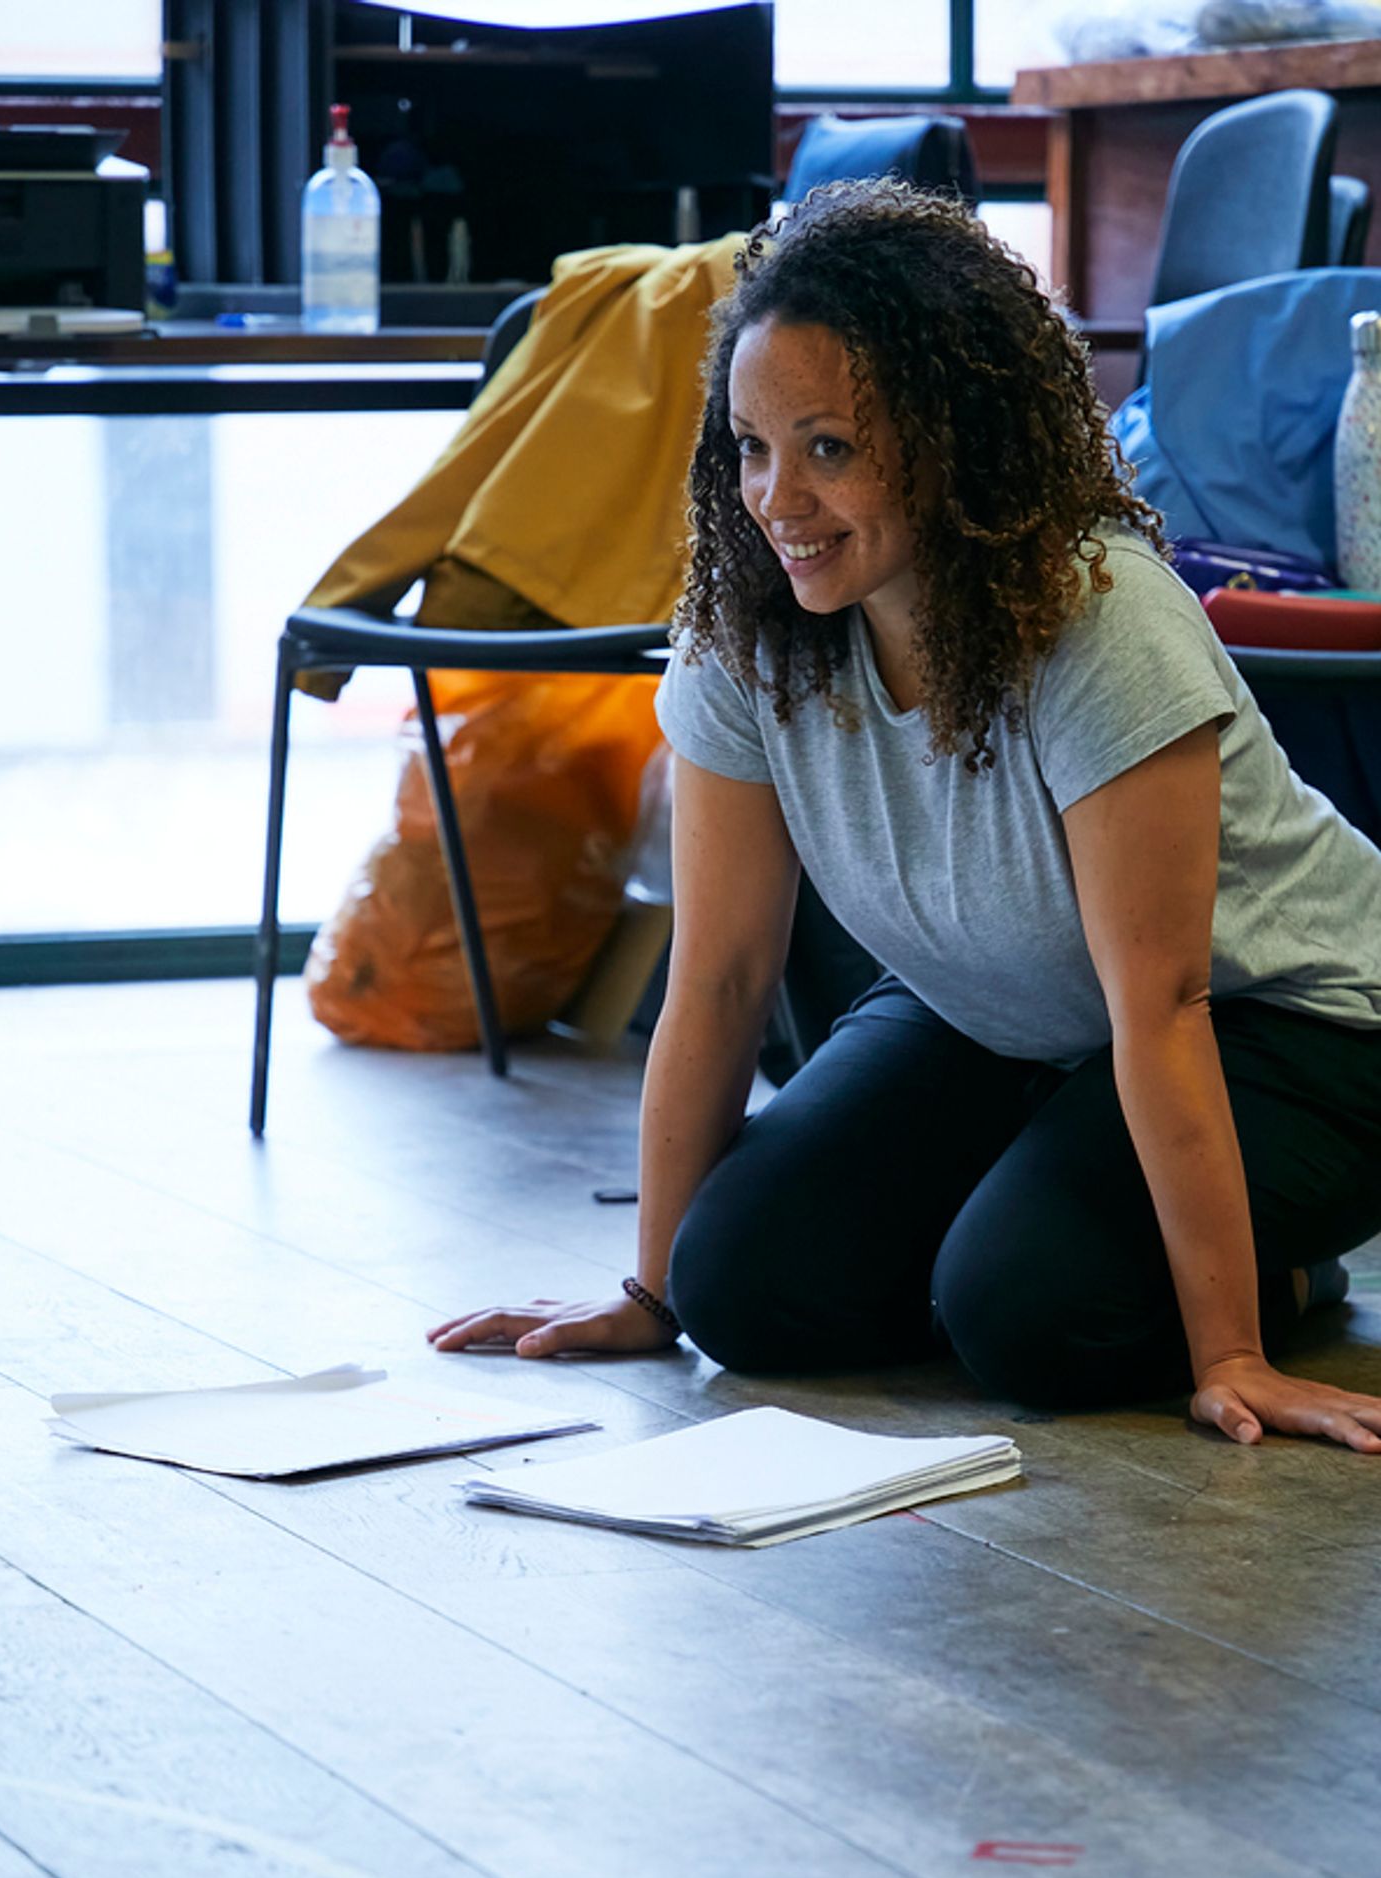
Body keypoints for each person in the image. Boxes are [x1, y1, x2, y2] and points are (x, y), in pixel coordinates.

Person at [428, 180, 1381, 1453]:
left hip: (1299, 1025)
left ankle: (1278, 1276)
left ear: (953, 438)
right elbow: (718, 975)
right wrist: (651, 1294)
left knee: (1028, 1317)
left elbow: (1162, 1005)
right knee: (740, 1289)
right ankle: (1040, 1224)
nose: (777, 499)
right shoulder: (747, 626)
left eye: (828, 448)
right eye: (751, 447)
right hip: (1012, 1013)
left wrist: (1226, 1354)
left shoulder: (1097, 616)